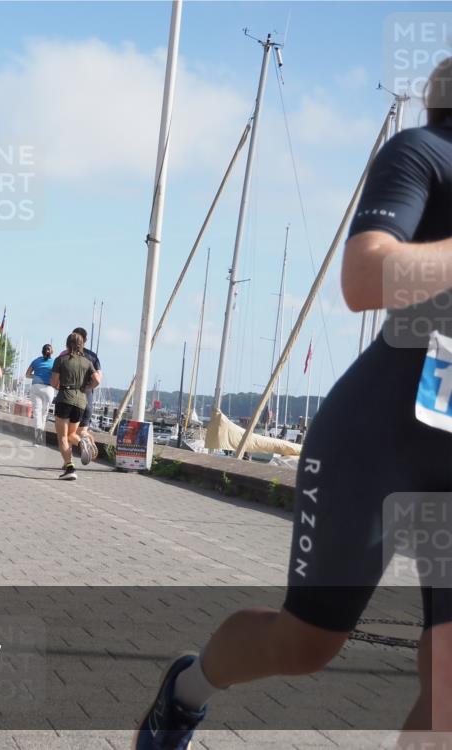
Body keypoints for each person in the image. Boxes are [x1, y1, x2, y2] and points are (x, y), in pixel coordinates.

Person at [134, 58, 452, 749]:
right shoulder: (423, 153)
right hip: (377, 444)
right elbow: (364, 275)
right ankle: (186, 692)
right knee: (308, 643)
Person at [50, 331, 100, 480]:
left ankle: (70, 468)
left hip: (65, 398)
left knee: (63, 438)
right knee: (73, 434)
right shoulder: (87, 362)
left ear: (67, 344)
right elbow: (97, 380)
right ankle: (82, 441)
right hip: (81, 401)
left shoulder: (61, 360)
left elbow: (54, 383)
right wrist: (87, 387)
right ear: (81, 345)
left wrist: (62, 387)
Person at [72, 326, 102, 461]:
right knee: (82, 431)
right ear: (86, 339)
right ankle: (88, 441)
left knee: (69, 433)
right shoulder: (93, 357)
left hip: (73, 397)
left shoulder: (68, 354)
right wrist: (89, 387)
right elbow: (98, 379)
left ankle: (67, 462)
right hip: (88, 398)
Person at [26, 343, 55, 445]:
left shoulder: (36, 361)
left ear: (42, 351)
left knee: (37, 413)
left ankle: (37, 437)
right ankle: (40, 436)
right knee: (44, 414)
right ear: (52, 352)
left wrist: (37, 376)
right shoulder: (55, 362)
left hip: (36, 387)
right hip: (49, 389)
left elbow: (27, 374)